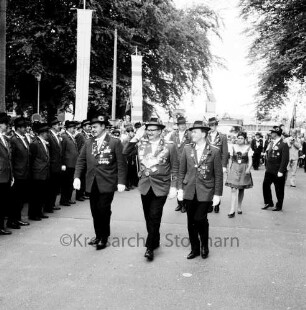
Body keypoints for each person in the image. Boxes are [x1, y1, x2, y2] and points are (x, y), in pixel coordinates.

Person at [123, 118, 178, 261]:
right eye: (148, 130)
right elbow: (125, 151)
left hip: (161, 185)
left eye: (153, 130)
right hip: (145, 184)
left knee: (155, 214)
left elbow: (175, 167)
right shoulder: (141, 144)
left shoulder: (170, 146)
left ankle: (149, 247)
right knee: (148, 215)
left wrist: (174, 186)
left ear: (160, 131)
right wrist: (136, 136)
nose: (150, 132)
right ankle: (155, 238)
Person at [73, 115, 127, 250]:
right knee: (94, 210)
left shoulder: (115, 142)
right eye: (91, 127)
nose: (92, 129)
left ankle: (104, 237)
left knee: (103, 209)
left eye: (95, 127)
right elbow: (81, 161)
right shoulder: (88, 142)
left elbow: (121, 164)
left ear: (103, 127)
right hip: (92, 182)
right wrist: (77, 177)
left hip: (107, 182)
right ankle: (98, 235)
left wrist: (121, 181)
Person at [178, 121, 223, 259]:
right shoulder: (187, 149)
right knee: (190, 221)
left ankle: (204, 246)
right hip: (189, 189)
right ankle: (195, 248)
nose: (192, 134)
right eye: (192, 131)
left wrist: (217, 194)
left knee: (200, 218)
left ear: (203, 133)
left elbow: (218, 174)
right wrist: (180, 189)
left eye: (195, 132)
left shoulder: (214, 151)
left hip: (206, 190)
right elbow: (181, 171)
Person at [7, 117, 31, 229]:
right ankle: (12, 221)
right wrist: (13, 174)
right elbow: (11, 158)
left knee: (21, 199)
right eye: (24, 127)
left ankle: (17, 219)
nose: (26, 128)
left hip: (25, 173)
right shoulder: (13, 140)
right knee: (15, 200)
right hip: (17, 174)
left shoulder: (24, 138)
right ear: (18, 128)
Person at [225, 132, 253, 217]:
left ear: (245, 139)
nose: (239, 140)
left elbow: (250, 160)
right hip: (234, 168)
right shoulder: (233, 147)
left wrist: (248, 168)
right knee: (233, 189)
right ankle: (232, 209)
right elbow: (230, 160)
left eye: (241, 138)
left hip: (244, 168)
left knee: (241, 189)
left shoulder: (248, 148)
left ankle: (239, 206)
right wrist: (228, 169)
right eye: (238, 138)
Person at [262, 126, 289, 211]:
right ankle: (269, 202)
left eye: (272, 132)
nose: (271, 134)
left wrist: (281, 170)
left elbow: (285, 159)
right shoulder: (271, 142)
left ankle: (279, 205)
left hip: (278, 170)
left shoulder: (283, 144)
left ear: (276, 133)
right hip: (269, 169)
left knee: (279, 189)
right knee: (265, 185)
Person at [169, 116, 192, 213]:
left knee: (184, 181)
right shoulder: (173, 134)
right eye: (180, 124)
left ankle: (185, 204)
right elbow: (170, 147)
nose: (182, 126)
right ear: (177, 125)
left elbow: (192, 147)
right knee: (176, 180)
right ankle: (179, 203)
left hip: (186, 160)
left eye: (184, 124)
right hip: (175, 161)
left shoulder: (190, 134)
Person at [28, 123, 50, 221]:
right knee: (35, 195)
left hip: (44, 173)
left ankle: (39, 212)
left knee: (42, 194)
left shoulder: (43, 143)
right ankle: (33, 214)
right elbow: (31, 159)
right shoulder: (35, 143)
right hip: (37, 173)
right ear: (41, 133)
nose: (47, 134)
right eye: (46, 132)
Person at [207, 117, 228, 213]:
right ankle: (210, 202)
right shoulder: (205, 135)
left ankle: (217, 203)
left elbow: (225, 152)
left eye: (214, 125)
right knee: (209, 182)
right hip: (207, 162)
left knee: (218, 182)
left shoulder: (222, 136)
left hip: (218, 163)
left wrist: (224, 165)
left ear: (216, 125)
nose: (212, 127)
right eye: (210, 125)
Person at [60, 120, 79, 206]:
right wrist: (63, 163)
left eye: (74, 128)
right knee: (66, 183)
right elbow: (62, 151)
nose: (73, 129)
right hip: (67, 163)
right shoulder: (64, 136)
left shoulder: (71, 136)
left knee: (70, 182)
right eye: (72, 128)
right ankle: (64, 200)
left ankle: (68, 198)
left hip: (72, 163)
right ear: (68, 128)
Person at [45, 117, 62, 212]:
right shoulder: (49, 136)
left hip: (57, 165)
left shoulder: (56, 135)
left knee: (55, 187)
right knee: (51, 187)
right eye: (57, 124)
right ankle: (49, 206)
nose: (59, 126)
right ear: (53, 126)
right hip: (52, 166)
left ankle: (52, 204)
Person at [0, 113, 13, 235]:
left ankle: (1, 226)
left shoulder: (4, 138)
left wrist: (11, 175)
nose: (7, 126)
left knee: (3, 202)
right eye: (5, 124)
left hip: (6, 175)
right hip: (0, 175)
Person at [75, 119, 91, 201]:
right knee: (80, 177)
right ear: (84, 127)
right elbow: (77, 148)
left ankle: (83, 193)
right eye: (88, 126)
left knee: (84, 177)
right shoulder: (80, 135)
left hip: (87, 159)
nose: (90, 127)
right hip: (82, 159)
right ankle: (79, 195)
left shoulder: (88, 135)